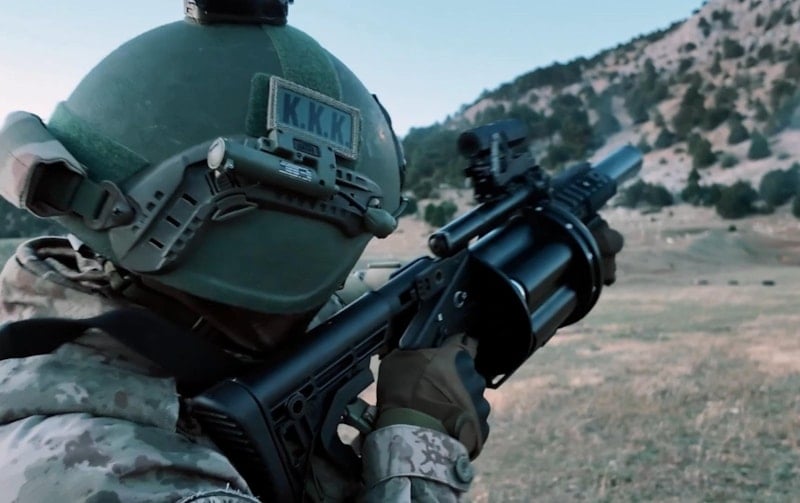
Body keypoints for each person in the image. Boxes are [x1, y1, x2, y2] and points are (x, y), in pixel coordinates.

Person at [0, 2, 623, 502]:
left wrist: (528, 273)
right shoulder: (106, 474)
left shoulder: (104, 333)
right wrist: (418, 447)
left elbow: (344, 304)